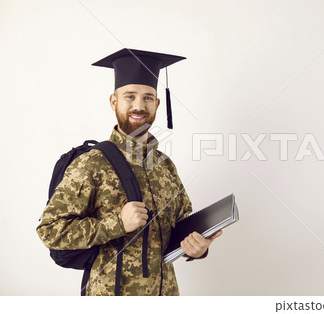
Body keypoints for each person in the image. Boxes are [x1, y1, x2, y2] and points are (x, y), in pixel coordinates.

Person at [36, 48, 222, 296]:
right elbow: (50, 230)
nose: (139, 106)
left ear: (157, 103)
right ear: (114, 101)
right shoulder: (93, 163)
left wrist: (197, 247)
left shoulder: (165, 165)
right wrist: (117, 224)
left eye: (147, 98)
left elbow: (182, 223)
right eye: (130, 96)